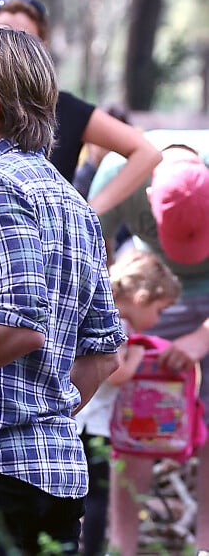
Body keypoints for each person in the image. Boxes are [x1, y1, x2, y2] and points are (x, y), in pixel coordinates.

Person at [0, 25, 125, 555]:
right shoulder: (74, 200)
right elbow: (104, 353)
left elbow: (19, 323)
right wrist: (46, 414)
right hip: (57, 473)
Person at [88, 143, 209, 555]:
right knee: (138, 419)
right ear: (150, 191)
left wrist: (202, 337)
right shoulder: (120, 174)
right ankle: (125, 546)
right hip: (152, 294)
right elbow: (90, 260)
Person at [0, 0, 162, 216]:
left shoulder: (65, 107)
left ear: (43, 47)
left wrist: (87, 212)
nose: (10, 48)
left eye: (23, 38)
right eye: (0, 36)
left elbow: (147, 153)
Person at [75, 249, 181, 556]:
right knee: (98, 495)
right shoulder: (119, 325)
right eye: (160, 310)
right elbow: (116, 371)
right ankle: (92, 550)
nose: (158, 319)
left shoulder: (102, 313)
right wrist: (135, 357)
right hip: (91, 424)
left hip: (86, 419)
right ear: (142, 296)